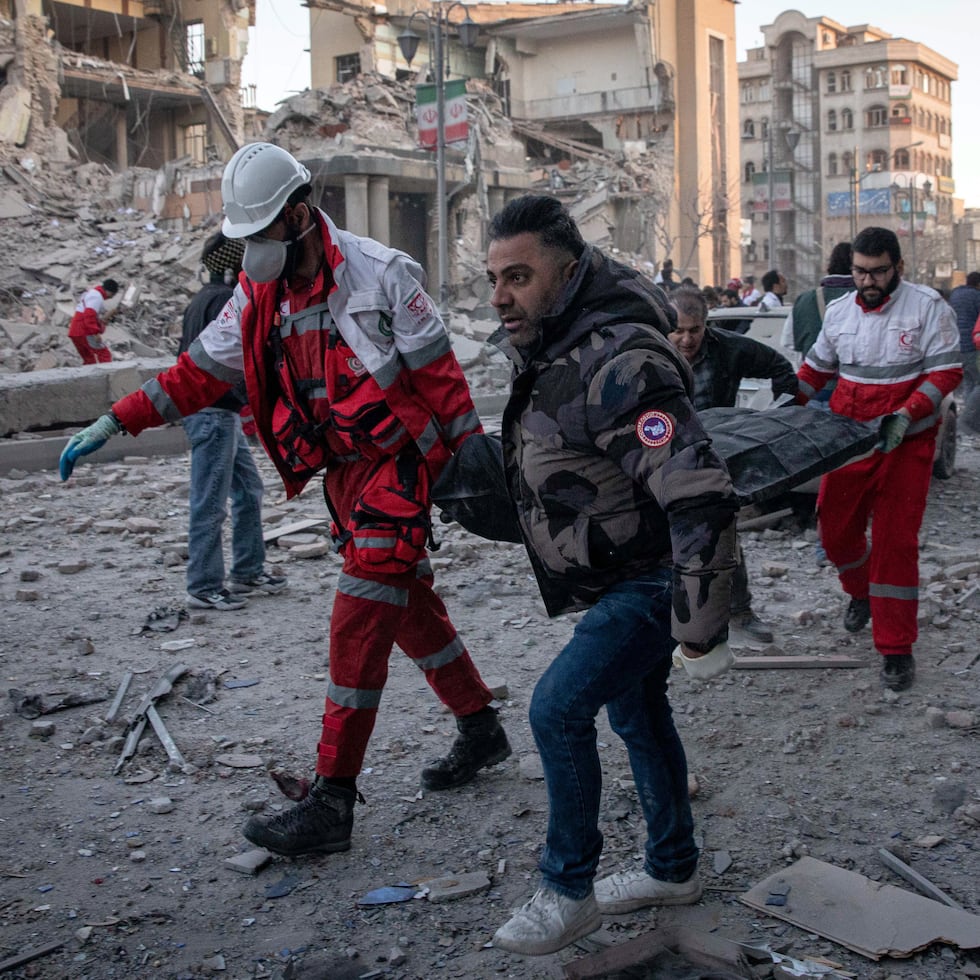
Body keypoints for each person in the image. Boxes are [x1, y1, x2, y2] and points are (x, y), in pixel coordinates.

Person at [59, 141, 510, 856]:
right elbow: (197, 374)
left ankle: (332, 801)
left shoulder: (384, 275)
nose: (250, 251)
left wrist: (471, 476)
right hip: (344, 479)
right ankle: (482, 728)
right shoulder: (254, 294)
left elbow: (443, 384)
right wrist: (117, 420)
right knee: (408, 610)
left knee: (357, 620)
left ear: (299, 216)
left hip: (399, 468)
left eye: (259, 234)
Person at [484, 196, 738, 956]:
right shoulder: (556, 346)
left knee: (556, 710)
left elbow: (699, 493)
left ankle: (568, 890)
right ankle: (672, 866)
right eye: (494, 278)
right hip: (618, 575)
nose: (500, 296)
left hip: (649, 580)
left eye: (519, 277)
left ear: (568, 271)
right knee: (635, 713)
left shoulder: (620, 362)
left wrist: (699, 629)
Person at [797, 226, 962, 692]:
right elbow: (816, 368)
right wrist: (789, 400)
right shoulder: (840, 312)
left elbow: (947, 372)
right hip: (851, 439)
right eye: (860, 272)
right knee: (834, 533)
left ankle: (895, 649)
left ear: (897, 268)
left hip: (906, 444)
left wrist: (908, 414)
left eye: (877, 272)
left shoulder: (927, 307)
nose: (868, 281)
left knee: (894, 544)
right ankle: (860, 593)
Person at [667, 284, 798, 643]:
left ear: (706, 326)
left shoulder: (729, 349)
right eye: (679, 330)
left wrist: (775, 416)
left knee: (724, 536)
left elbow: (780, 368)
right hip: (662, 461)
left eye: (695, 330)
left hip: (714, 458)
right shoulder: (650, 352)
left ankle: (739, 612)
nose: (687, 339)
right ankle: (674, 622)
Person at [179, 231, 286, 611]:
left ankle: (247, 570)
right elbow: (237, 360)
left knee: (248, 489)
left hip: (216, 413)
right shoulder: (224, 301)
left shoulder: (201, 300)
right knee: (210, 502)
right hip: (213, 414)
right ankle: (204, 585)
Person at [782, 242, 855, 359]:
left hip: (813, 374)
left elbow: (788, 342)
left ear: (829, 266)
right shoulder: (867, 298)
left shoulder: (803, 300)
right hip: (854, 375)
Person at [68, 278, 118, 364]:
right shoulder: (97, 297)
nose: (111, 297)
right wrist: (95, 333)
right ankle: (108, 375)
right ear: (109, 291)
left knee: (89, 359)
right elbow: (89, 315)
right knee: (104, 354)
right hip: (84, 331)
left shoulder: (94, 294)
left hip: (75, 331)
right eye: (113, 294)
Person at [948, 271, 980, 397]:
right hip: (972, 345)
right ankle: (972, 414)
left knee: (968, 382)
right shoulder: (977, 296)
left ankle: (967, 411)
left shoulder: (955, 294)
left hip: (956, 345)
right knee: (977, 382)